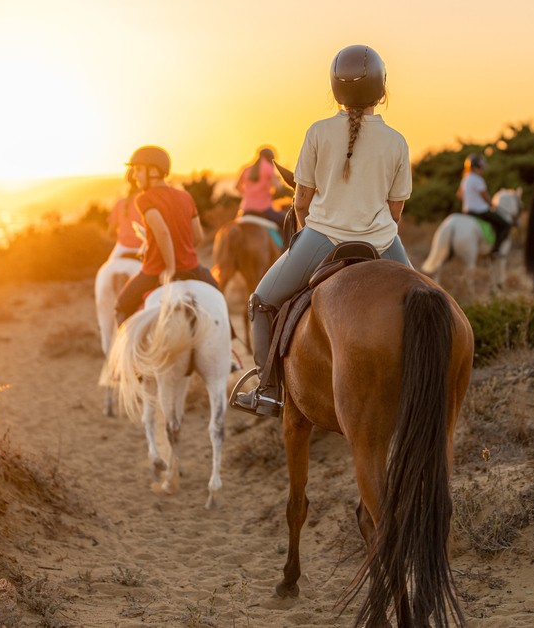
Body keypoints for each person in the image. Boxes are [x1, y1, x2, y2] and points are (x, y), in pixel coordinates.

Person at [231, 44, 413, 417]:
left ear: (336, 91)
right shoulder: (397, 141)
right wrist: (378, 231)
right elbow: (396, 212)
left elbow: (300, 202)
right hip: (381, 240)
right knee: (424, 305)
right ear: (381, 90)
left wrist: (304, 232)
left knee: (261, 301)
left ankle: (267, 391)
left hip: (322, 238)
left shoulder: (317, 132)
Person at [112, 145, 220, 328]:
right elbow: (198, 236)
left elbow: (162, 232)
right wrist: (182, 249)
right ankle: (229, 341)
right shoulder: (185, 197)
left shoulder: (144, 198)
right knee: (218, 299)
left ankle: (126, 353)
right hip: (192, 268)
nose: (135, 176)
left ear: (153, 171)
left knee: (121, 307)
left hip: (155, 270)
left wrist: (170, 268)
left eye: (138, 170)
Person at [458, 152, 510, 256]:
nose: (483, 170)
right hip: (480, 211)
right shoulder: (478, 180)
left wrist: (469, 200)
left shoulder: (465, 179)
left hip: (467, 211)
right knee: (505, 225)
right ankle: (496, 249)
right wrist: (492, 205)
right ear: (477, 167)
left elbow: (459, 194)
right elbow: (485, 197)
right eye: (482, 167)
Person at [236, 145, 287, 226]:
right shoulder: (268, 167)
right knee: (287, 220)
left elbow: (237, 187)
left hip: (245, 208)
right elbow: (278, 187)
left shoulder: (246, 169)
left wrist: (249, 193)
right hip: (264, 208)